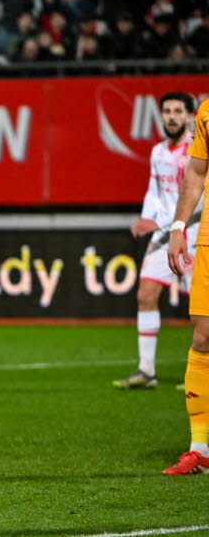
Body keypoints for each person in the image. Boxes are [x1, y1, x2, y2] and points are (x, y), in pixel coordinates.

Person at [117, 93, 201, 390]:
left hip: (196, 234)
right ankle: (146, 370)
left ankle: (201, 375)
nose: (171, 116)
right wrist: (147, 219)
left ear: (191, 116)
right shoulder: (158, 152)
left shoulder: (198, 150)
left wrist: (163, 222)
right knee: (145, 295)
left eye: (178, 111)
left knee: (201, 309)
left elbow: (200, 199)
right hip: (164, 234)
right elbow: (155, 192)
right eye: (167, 111)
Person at [166, 92, 209, 475]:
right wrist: (179, 226)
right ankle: (201, 449)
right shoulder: (207, 110)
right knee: (203, 338)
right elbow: (196, 172)